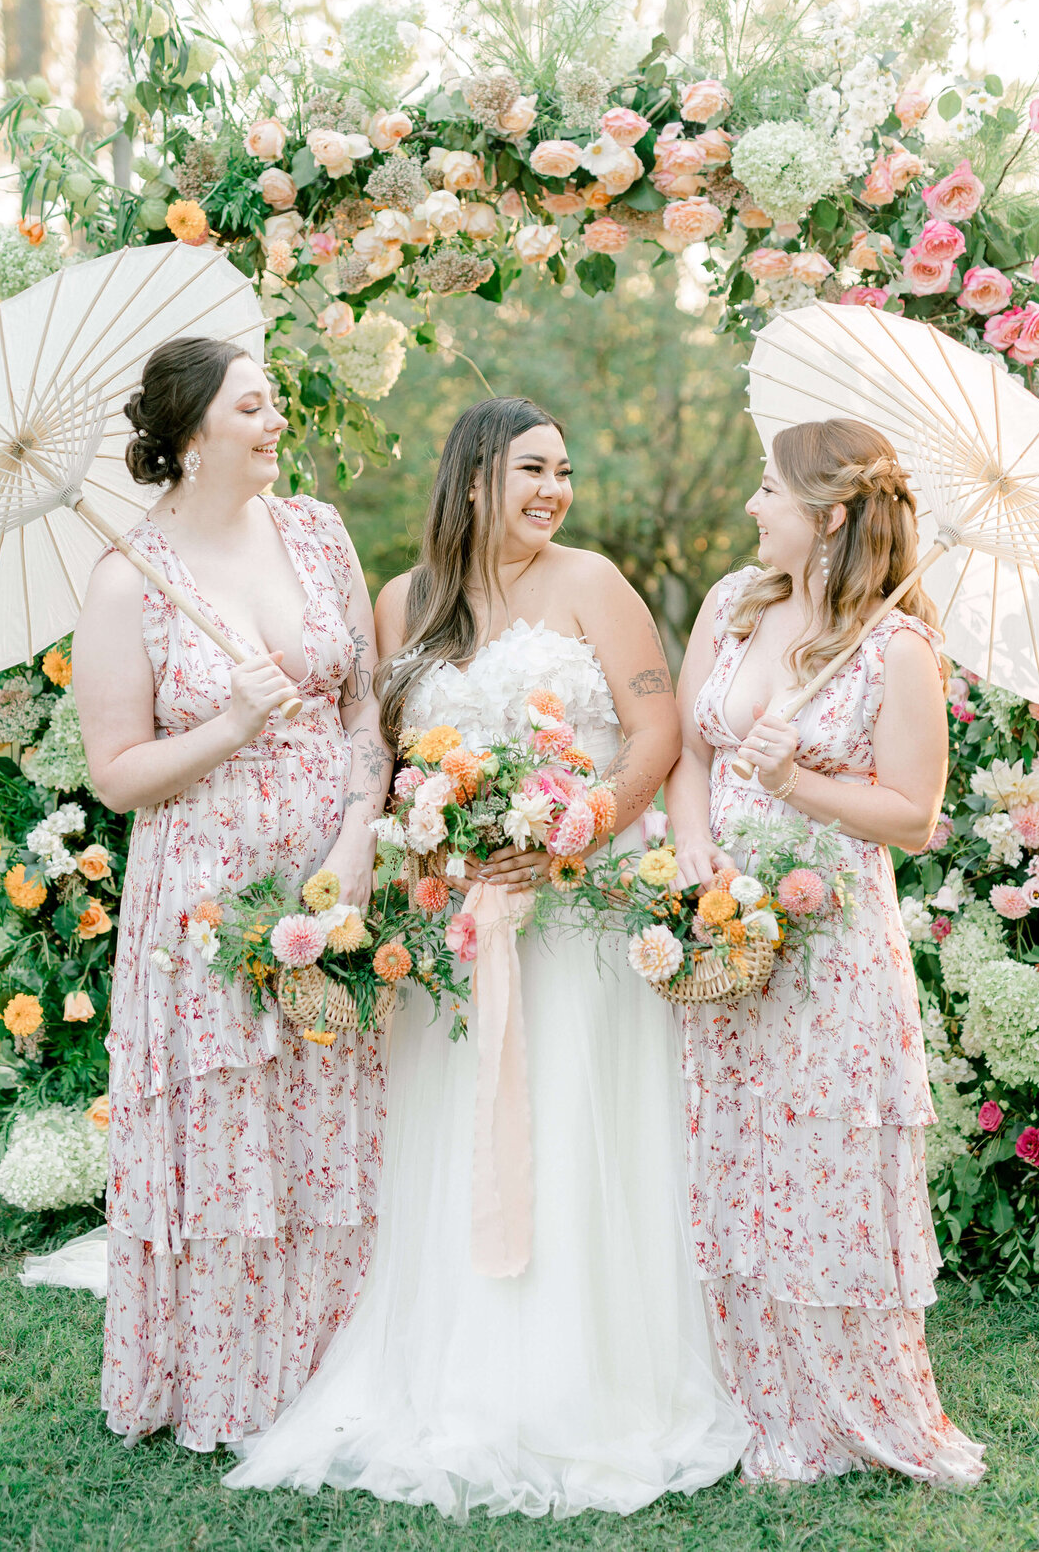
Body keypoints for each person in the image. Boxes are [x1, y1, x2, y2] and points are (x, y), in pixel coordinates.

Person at [224, 395, 749, 1517]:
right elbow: (390, 755)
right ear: (472, 480)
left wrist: (578, 829)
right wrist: (416, 838)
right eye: (531, 470)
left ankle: (593, 1378)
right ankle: (454, 1372)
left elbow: (658, 732)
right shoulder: (402, 601)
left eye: (562, 469)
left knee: (576, 1129)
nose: (554, 491)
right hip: (458, 924)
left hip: (581, 915)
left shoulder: (593, 583)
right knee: (458, 1139)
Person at [71, 335, 390, 1452]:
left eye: (273, 402)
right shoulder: (126, 578)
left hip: (328, 864)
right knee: (233, 1123)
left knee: (332, 1101)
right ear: (195, 431)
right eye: (252, 406)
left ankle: (349, 1354)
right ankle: (237, 1375)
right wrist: (230, 725)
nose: (274, 421)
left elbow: (365, 709)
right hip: (203, 891)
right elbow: (117, 774)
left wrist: (357, 836)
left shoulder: (316, 530)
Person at [665, 417, 985, 1487]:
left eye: (769, 490)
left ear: (829, 515)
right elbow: (690, 755)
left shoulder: (897, 648)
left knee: (823, 1173)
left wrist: (796, 780)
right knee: (729, 1161)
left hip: (833, 946)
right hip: (723, 936)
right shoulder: (731, 605)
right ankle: (737, 1391)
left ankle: (842, 1403)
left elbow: (912, 813)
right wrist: (697, 855)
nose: (753, 506)